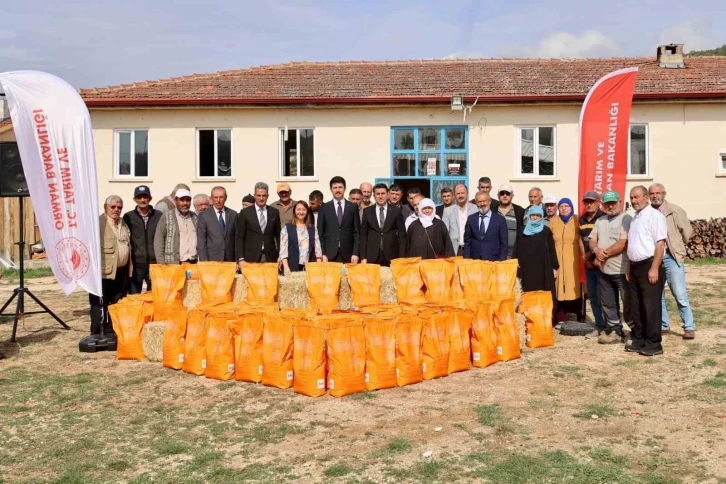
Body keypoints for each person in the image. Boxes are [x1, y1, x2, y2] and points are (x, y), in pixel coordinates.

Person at [649, 183, 695, 339]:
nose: (654, 196)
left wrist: (677, 248)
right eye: (652, 194)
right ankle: (663, 325)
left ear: (664, 194)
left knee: (680, 293)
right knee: (658, 294)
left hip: (671, 257)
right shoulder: (648, 213)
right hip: (654, 259)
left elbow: (687, 233)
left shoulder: (675, 210)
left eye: (657, 193)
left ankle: (689, 326)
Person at [626, 186, 667, 356]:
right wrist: (629, 267)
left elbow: (660, 243)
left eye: (637, 197)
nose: (634, 201)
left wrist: (654, 268)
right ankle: (639, 339)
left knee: (651, 307)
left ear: (646, 198)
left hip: (649, 266)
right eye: (632, 197)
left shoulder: (655, 216)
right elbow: (633, 244)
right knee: (636, 306)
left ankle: (653, 343)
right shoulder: (635, 218)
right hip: (635, 267)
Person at [589, 191, 632, 344]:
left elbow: (623, 243)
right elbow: (592, 240)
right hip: (604, 271)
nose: (611, 205)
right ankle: (615, 330)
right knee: (607, 303)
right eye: (607, 203)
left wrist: (602, 255)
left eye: (613, 202)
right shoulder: (600, 220)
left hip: (621, 269)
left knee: (628, 302)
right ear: (603, 205)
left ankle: (635, 331)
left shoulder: (625, 219)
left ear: (619, 202)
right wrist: (595, 251)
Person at [91, 195, 131, 338]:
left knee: (117, 303)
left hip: (121, 271)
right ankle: (97, 333)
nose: (116, 210)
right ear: (105, 207)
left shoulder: (123, 223)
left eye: (119, 207)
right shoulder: (98, 223)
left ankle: (113, 331)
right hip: (103, 272)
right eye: (113, 207)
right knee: (100, 304)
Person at [513, 206, 558, 315]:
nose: (535, 217)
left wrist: (554, 267)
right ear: (529, 216)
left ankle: (542, 316)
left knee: (542, 292)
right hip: (525, 269)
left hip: (542, 269)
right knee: (526, 291)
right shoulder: (522, 231)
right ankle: (526, 315)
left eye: (538, 215)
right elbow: (516, 249)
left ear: (542, 217)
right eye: (533, 215)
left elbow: (551, 250)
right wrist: (514, 265)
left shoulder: (546, 231)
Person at [123, 185, 162, 294]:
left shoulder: (159, 215)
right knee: (134, 296)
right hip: (137, 265)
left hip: (155, 264)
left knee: (155, 295)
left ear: (150, 198)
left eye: (145, 197)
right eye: (139, 197)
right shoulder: (128, 216)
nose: (142, 200)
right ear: (135, 199)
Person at [550, 198, 582, 323]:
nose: (564, 208)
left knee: (573, 285)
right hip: (557, 258)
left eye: (566, 206)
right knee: (558, 286)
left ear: (571, 207)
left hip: (573, 259)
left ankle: (575, 315)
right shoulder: (554, 221)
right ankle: (560, 317)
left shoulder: (577, 220)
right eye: (561, 206)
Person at [579, 190, 606, 336]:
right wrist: (584, 256)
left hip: (601, 264)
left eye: (591, 201)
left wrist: (590, 256)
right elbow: (580, 239)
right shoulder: (582, 220)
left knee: (605, 297)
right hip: (589, 265)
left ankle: (610, 326)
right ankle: (599, 325)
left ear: (598, 203)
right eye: (586, 202)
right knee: (593, 296)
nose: (588, 204)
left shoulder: (603, 218)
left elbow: (603, 240)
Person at [360, 183, 406, 265]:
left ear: (387, 195)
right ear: (374, 196)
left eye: (383, 193)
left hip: (392, 255)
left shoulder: (396, 211)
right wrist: (363, 257)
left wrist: (401, 257)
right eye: (378, 194)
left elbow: (402, 235)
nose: (380, 196)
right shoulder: (367, 211)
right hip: (372, 255)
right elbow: (363, 235)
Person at [317, 176, 360, 263]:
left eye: (340, 187)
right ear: (331, 189)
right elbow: (320, 233)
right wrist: (323, 253)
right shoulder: (324, 208)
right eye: (335, 188)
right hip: (329, 254)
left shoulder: (352, 207)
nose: (338, 190)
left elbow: (357, 232)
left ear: (345, 188)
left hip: (349, 254)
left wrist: (355, 253)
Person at [236, 182, 281, 265]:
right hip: (250, 258)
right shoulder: (245, 213)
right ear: (254, 196)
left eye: (264, 195)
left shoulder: (274, 212)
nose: (261, 198)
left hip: (270, 257)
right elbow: (240, 237)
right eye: (258, 195)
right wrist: (241, 258)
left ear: (267, 196)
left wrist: (280, 255)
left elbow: (278, 236)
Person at [154, 189, 199, 264]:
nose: (185, 203)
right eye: (182, 200)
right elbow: (158, 241)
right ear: (175, 200)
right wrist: (161, 264)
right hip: (174, 264)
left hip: (193, 262)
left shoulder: (195, 217)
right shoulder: (166, 216)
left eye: (188, 200)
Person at [197, 186, 238, 262]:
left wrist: (237, 260)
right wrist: (204, 262)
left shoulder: (233, 214)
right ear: (211, 198)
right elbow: (201, 241)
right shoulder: (204, 215)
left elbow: (236, 239)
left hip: (230, 260)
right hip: (212, 260)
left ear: (226, 198)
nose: (218, 200)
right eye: (216, 197)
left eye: (221, 197)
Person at [464, 191, 508, 261]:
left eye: (484, 201)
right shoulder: (471, 219)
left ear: (490, 201)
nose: (482, 204)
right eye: (479, 202)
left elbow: (504, 244)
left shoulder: (500, 220)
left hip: (494, 260)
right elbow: (467, 242)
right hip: (474, 260)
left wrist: (500, 261)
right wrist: (466, 260)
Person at [280, 201, 322, 274]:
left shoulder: (312, 228)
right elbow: (283, 251)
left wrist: (318, 266)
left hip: (309, 267)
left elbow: (318, 250)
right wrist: (286, 267)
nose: (301, 212)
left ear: (307, 212)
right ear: (294, 211)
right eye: (298, 209)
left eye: (304, 210)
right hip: (292, 267)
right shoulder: (287, 228)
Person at [442, 183, 477, 255]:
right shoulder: (448, 211)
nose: (460, 195)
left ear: (467, 193)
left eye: (462, 193)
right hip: (455, 250)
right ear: (454, 195)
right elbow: (444, 233)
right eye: (458, 193)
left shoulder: (475, 209)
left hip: (472, 249)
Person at [496, 184, 525, 258]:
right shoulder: (493, 210)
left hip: (513, 253)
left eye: (507, 193)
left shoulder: (519, 211)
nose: (505, 196)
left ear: (512, 195)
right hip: (496, 253)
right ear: (498, 195)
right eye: (502, 193)